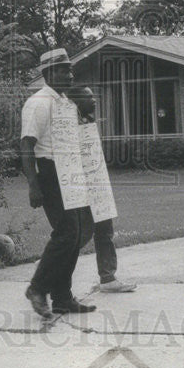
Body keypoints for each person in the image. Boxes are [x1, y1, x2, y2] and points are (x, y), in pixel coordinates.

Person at [21, 49, 95, 317]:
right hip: (51, 172)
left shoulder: (65, 102)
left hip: (70, 171)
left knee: (76, 234)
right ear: (48, 74)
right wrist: (33, 184)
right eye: (64, 70)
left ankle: (63, 298)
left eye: (70, 69)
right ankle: (37, 287)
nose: (70, 74)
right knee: (66, 233)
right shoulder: (38, 102)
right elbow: (27, 145)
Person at [66, 86, 137, 294]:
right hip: (80, 187)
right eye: (89, 98)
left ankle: (108, 278)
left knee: (105, 231)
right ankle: (57, 275)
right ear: (77, 102)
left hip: (98, 185)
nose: (94, 101)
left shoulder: (88, 123)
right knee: (79, 234)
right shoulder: (69, 127)